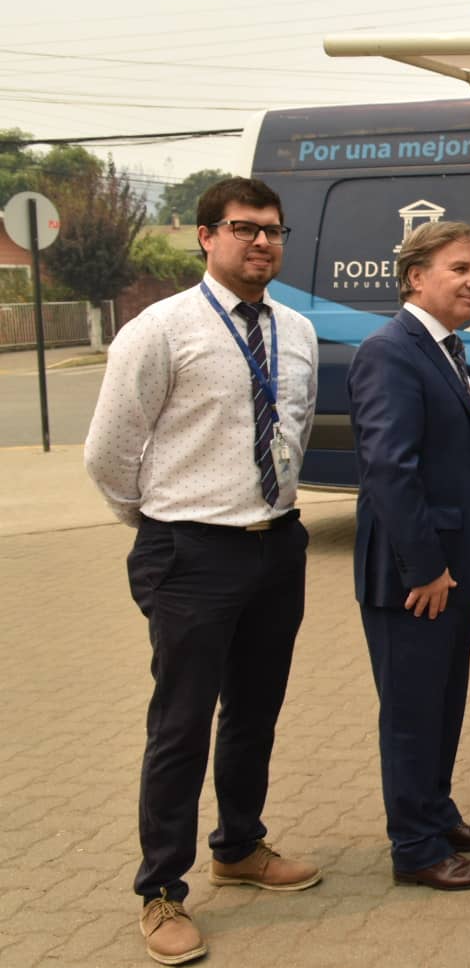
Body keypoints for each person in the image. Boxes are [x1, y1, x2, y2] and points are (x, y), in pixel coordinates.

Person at [84, 176, 321, 966]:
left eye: (274, 230)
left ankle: (240, 846)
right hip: (192, 550)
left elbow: (293, 431)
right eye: (244, 228)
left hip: (277, 543)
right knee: (180, 724)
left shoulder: (296, 328)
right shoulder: (160, 329)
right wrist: (161, 525)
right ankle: (160, 891)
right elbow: (109, 452)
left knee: (254, 711)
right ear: (205, 236)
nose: (262, 242)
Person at [348, 220, 470, 891]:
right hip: (415, 577)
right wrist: (425, 567)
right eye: (460, 269)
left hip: (454, 571)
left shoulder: (447, 350)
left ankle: (436, 812)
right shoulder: (390, 353)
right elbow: (391, 470)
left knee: (443, 704)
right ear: (416, 277)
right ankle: (416, 849)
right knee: (413, 713)